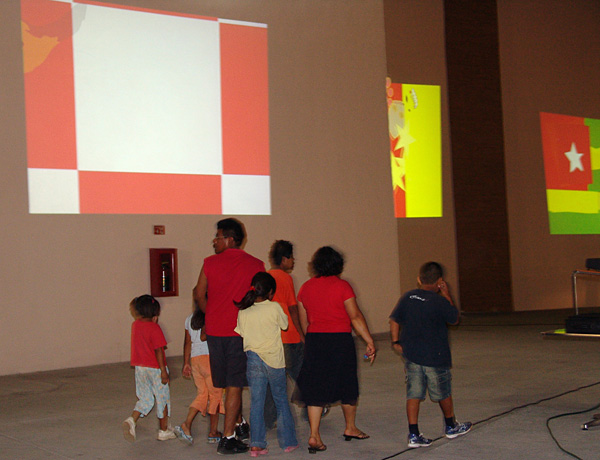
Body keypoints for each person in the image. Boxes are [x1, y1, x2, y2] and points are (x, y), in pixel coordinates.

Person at [294, 246, 376, 454]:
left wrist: (310, 340)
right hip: (340, 341)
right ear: (337, 265)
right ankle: (350, 427)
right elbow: (355, 316)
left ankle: (314, 435)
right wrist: (369, 340)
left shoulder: (306, 288)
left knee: (315, 388)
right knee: (347, 383)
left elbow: (304, 321)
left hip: (315, 341)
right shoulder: (342, 286)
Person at [193, 218, 265, 455]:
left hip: (215, 332)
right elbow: (259, 298)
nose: (214, 241)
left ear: (231, 239)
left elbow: (198, 293)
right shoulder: (256, 264)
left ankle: (238, 424)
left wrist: (211, 313)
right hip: (239, 332)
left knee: (225, 383)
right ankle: (228, 437)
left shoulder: (209, 263)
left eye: (218, 236)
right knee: (234, 384)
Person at [389, 261, 472, 448]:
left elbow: (394, 319)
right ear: (439, 281)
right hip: (436, 357)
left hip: (412, 356)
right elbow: (454, 318)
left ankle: (413, 433)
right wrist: (447, 294)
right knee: (443, 392)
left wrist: (396, 342)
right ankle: (451, 426)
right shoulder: (440, 301)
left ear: (419, 279)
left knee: (414, 394)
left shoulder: (408, 296)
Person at [234, 272, 299, 456]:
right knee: (281, 400)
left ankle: (256, 443)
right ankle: (288, 442)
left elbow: (241, 332)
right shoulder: (275, 307)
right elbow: (285, 325)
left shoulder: (243, 310)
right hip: (274, 361)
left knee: (256, 402)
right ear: (271, 292)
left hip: (253, 359)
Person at [122, 295, 176, 442]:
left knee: (145, 398)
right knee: (162, 398)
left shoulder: (136, 325)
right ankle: (164, 430)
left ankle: (132, 420)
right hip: (155, 369)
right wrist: (163, 371)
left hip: (140, 368)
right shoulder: (154, 328)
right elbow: (159, 350)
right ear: (154, 313)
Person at [263, 240, 305, 430]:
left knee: (273, 381)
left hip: (272, 339)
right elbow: (292, 308)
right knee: (302, 374)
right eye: (291, 257)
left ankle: (268, 418)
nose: (293, 261)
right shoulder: (286, 278)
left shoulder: (265, 277)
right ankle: (312, 405)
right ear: (284, 259)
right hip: (289, 337)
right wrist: (301, 333)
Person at [173, 308, 224, 445]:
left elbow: (187, 342)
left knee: (202, 394)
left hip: (195, 360)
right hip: (209, 359)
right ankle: (213, 432)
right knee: (215, 395)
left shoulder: (189, 318)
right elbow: (207, 336)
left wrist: (186, 363)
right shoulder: (211, 315)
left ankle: (186, 425)